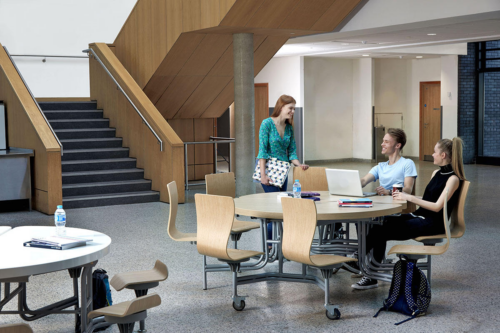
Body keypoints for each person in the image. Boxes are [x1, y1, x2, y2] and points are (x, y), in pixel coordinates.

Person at [352, 137, 465, 290]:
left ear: (443, 155)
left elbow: (438, 207)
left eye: (434, 152)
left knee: (381, 230)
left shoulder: (453, 179)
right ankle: (362, 263)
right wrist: (401, 196)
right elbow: (427, 199)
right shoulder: (436, 173)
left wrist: (409, 197)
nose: (432, 155)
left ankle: (360, 264)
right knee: (380, 222)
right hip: (420, 216)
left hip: (433, 224)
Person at [257, 94, 309, 241]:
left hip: (283, 172)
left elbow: (292, 151)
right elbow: (262, 151)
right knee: (274, 207)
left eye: (294, 108)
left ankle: (279, 242)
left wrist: (299, 164)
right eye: (290, 108)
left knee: (281, 207)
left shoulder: (289, 128)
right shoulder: (266, 124)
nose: (293, 111)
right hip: (268, 171)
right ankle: (270, 244)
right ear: (281, 107)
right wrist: (263, 175)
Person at [361, 128, 417, 196]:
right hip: (384, 203)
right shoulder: (380, 166)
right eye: (383, 141)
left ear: (398, 145)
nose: (382, 144)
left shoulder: (407, 163)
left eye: (386, 142)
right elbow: (364, 181)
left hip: (398, 204)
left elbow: (408, 189)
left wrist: (389, 191)